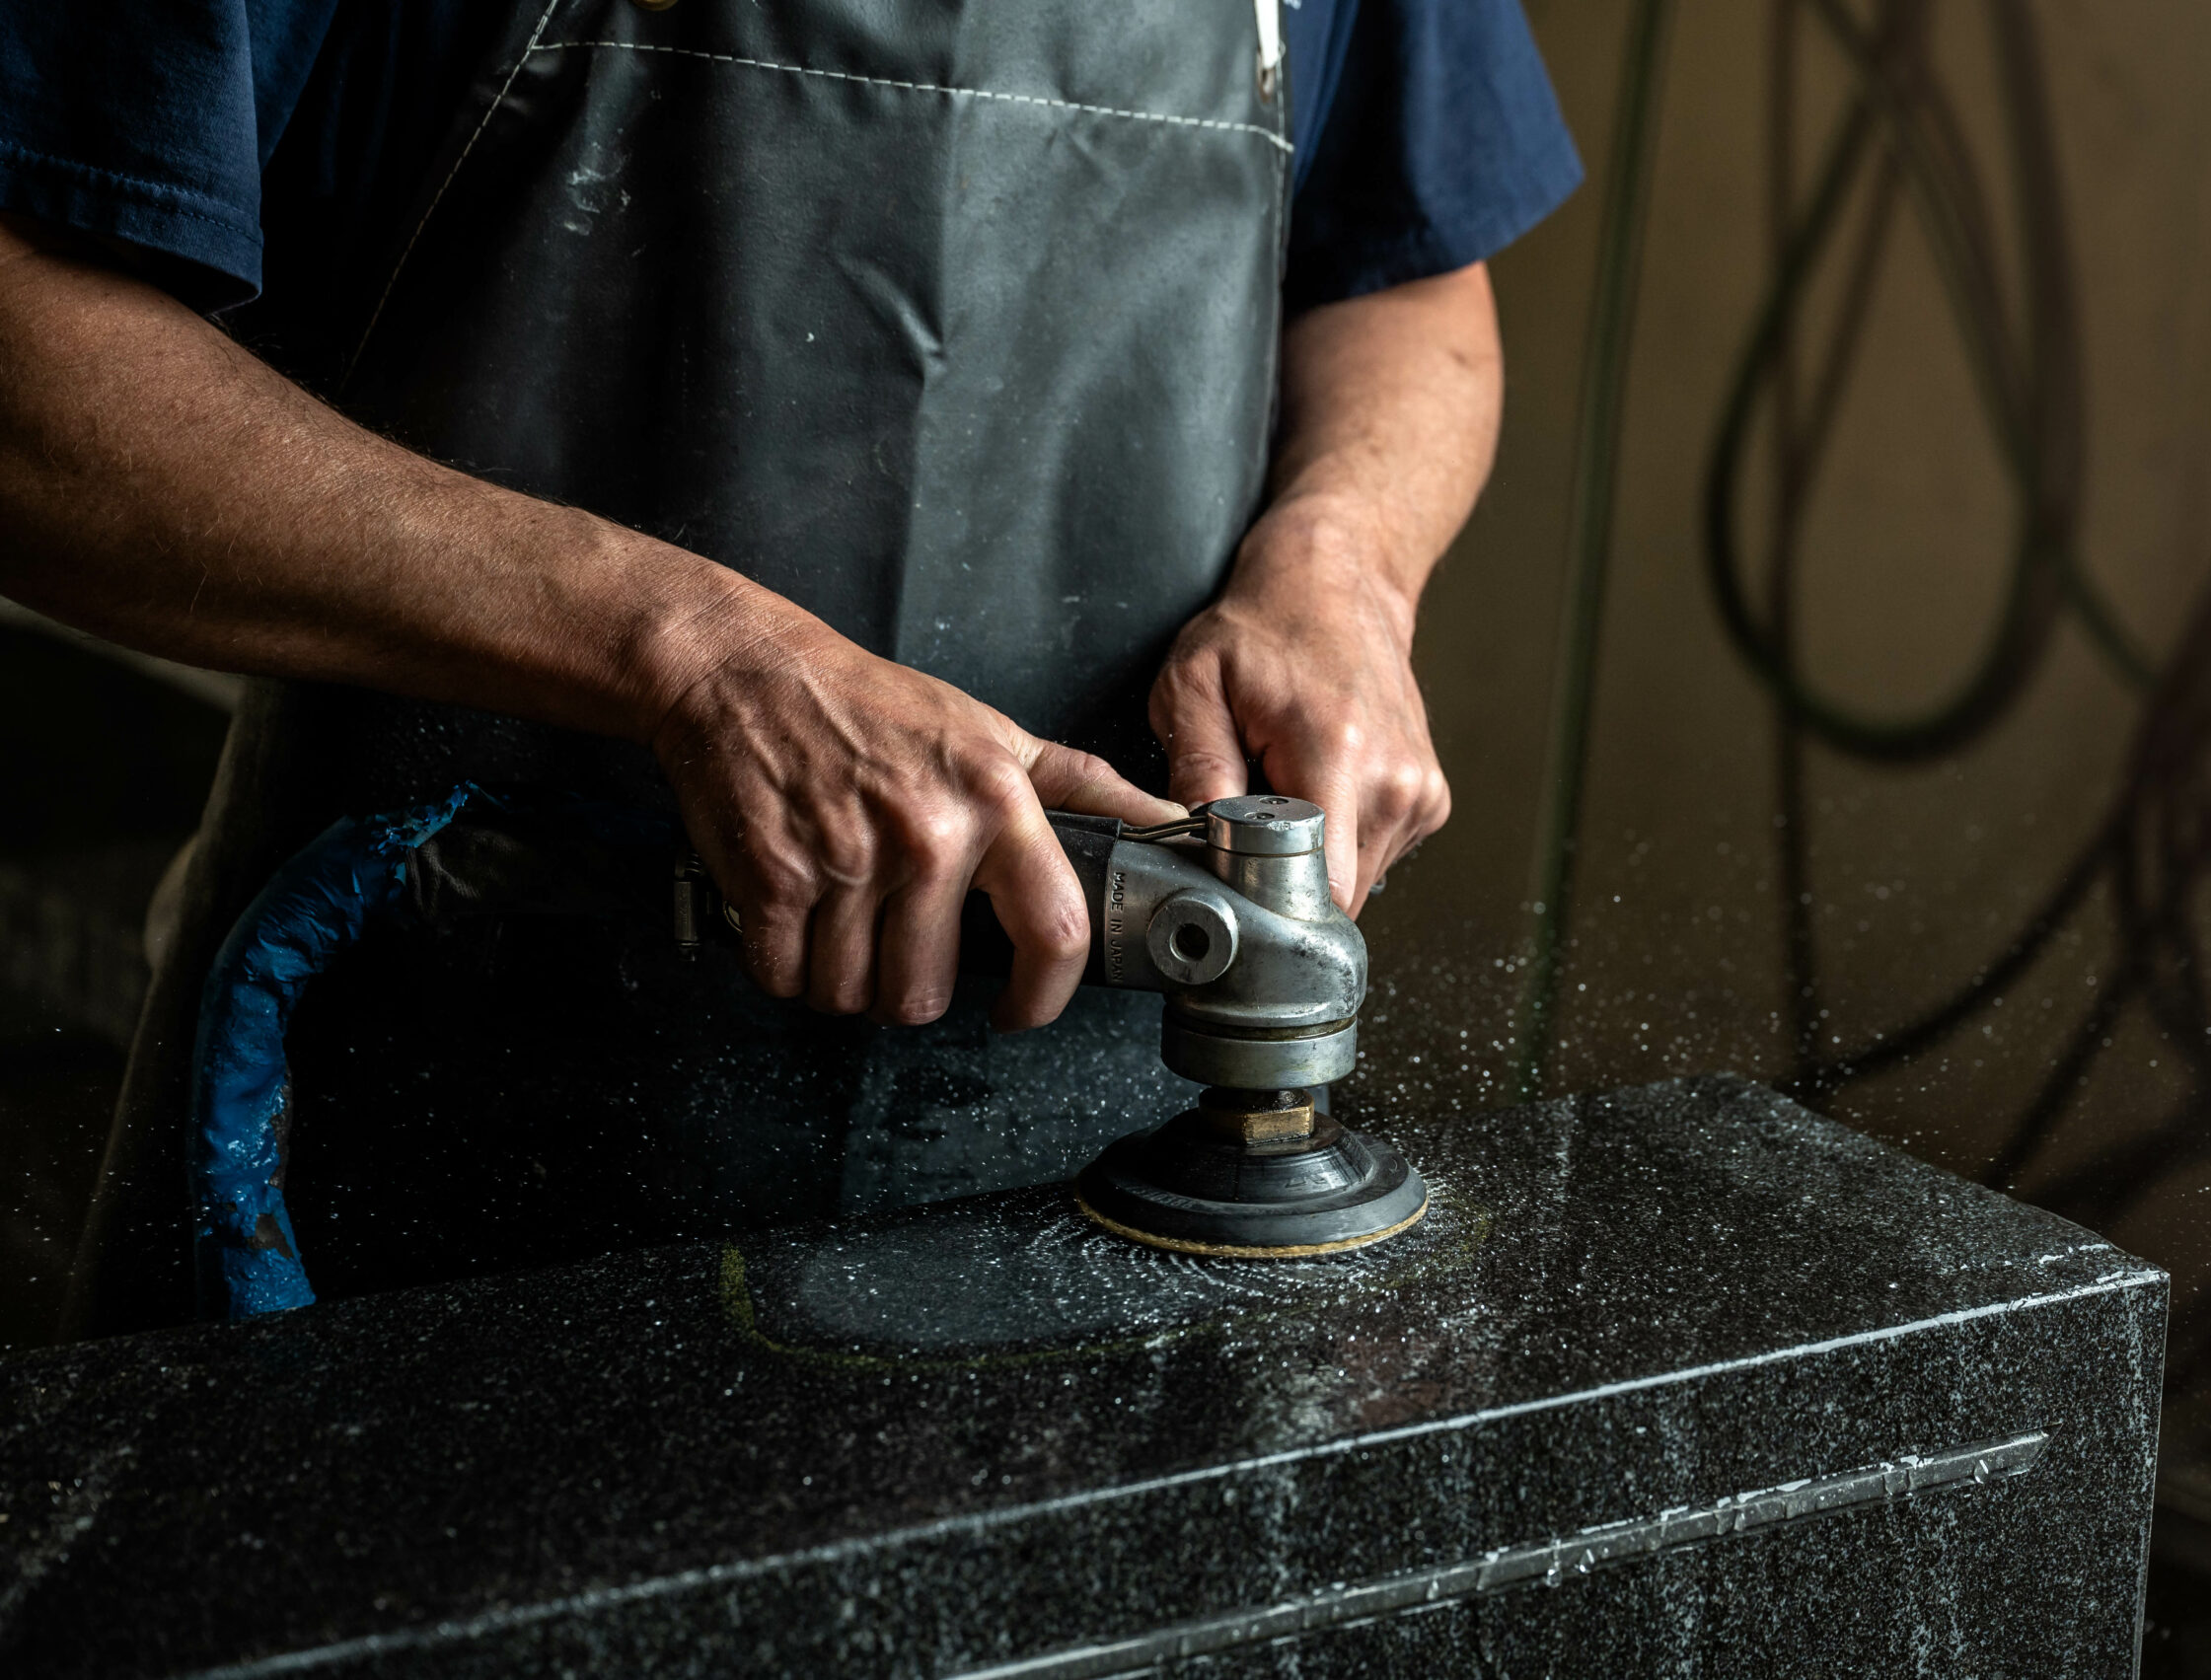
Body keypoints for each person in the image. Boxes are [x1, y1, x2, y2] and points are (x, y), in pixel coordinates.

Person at [0, 0, 1581, 1335]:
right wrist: (691, 653)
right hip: (431, 1083)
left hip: (1093, 1134)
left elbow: (1408, 271)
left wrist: (1344, 559)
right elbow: (35, 376)